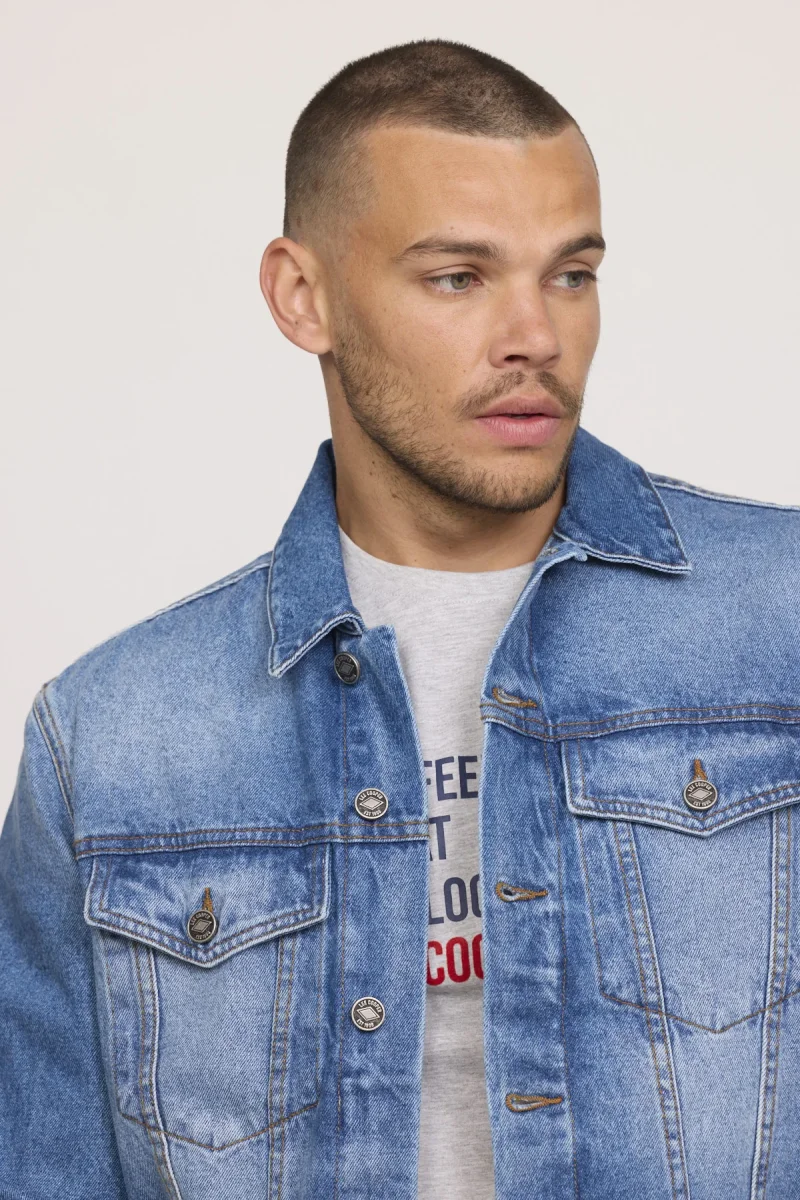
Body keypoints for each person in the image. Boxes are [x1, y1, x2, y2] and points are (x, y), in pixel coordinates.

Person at [2, 36, 799, 1200]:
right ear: (303, 297)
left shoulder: (779, 624)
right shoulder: (113, 740)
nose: (536, 336)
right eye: (457, 278)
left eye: (569, 275)